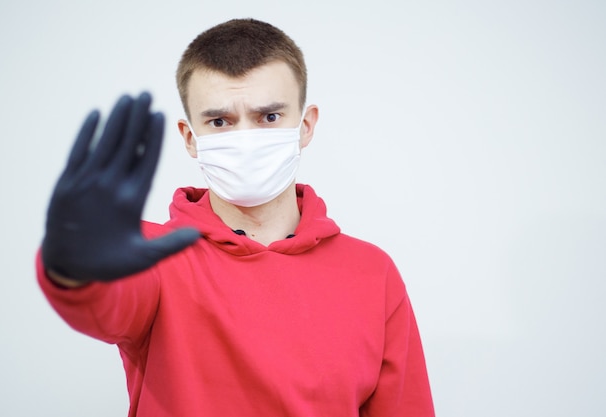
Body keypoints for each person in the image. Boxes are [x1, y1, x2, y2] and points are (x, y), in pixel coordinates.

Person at [37, 18, 435, 417]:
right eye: (220, 121)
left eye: (269, 117)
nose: (245, 139)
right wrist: (70, 264)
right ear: (190, 137)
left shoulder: (372, 273)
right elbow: (98, 302)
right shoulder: (150, 257)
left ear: (306, 125)